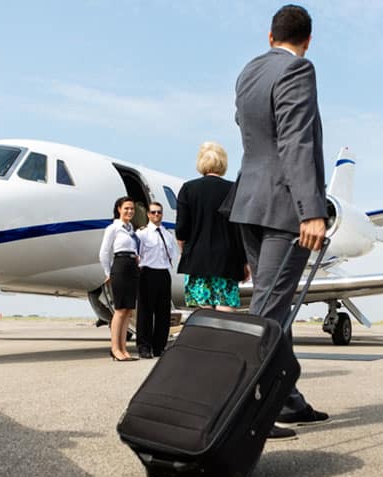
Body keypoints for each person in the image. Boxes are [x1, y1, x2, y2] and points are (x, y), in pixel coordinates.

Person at [226, 4, 330, 441]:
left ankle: (288, 402)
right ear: (307, 41)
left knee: (271, 306)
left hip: (248, 203)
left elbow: (247, 128)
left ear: (271, 38)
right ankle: (243, 412)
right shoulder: (299, 70)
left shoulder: (249, 73)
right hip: (283, 207)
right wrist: (311, 210)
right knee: (268, 314)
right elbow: (295, 139)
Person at [175, 142, 248, 314]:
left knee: (203, 306)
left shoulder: (188, 188)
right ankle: (223, 340)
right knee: (225, 304)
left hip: (198, 258)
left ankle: (204, 340)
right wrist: (244, 261)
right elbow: (240, 230)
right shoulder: (234, 189)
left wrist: (185, 252)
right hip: (227, 258)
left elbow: (182, 229)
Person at [99, 196, 141, 362]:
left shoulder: (131, 229)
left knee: (129, 310)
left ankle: (123, 348)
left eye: (132, 209)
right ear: (119, 209)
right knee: (120, 309)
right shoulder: (113, 228)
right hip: (120, 265)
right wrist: (108, 272)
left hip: (132, 266)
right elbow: (104, 252)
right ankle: (115, 348)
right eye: (126, 208)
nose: (129, 211)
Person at [136, 201, 178, 359]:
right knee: (145, 313)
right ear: (148, 214)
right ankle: (144, 347)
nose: (156, 215)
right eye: (153, 212)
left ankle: (159, 347)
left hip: (163, 274)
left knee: (163, 313)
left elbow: (173, 253)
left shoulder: (167, 234)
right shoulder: (142, 234)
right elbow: (137, 255)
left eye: (159, 212)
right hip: (147, 273)